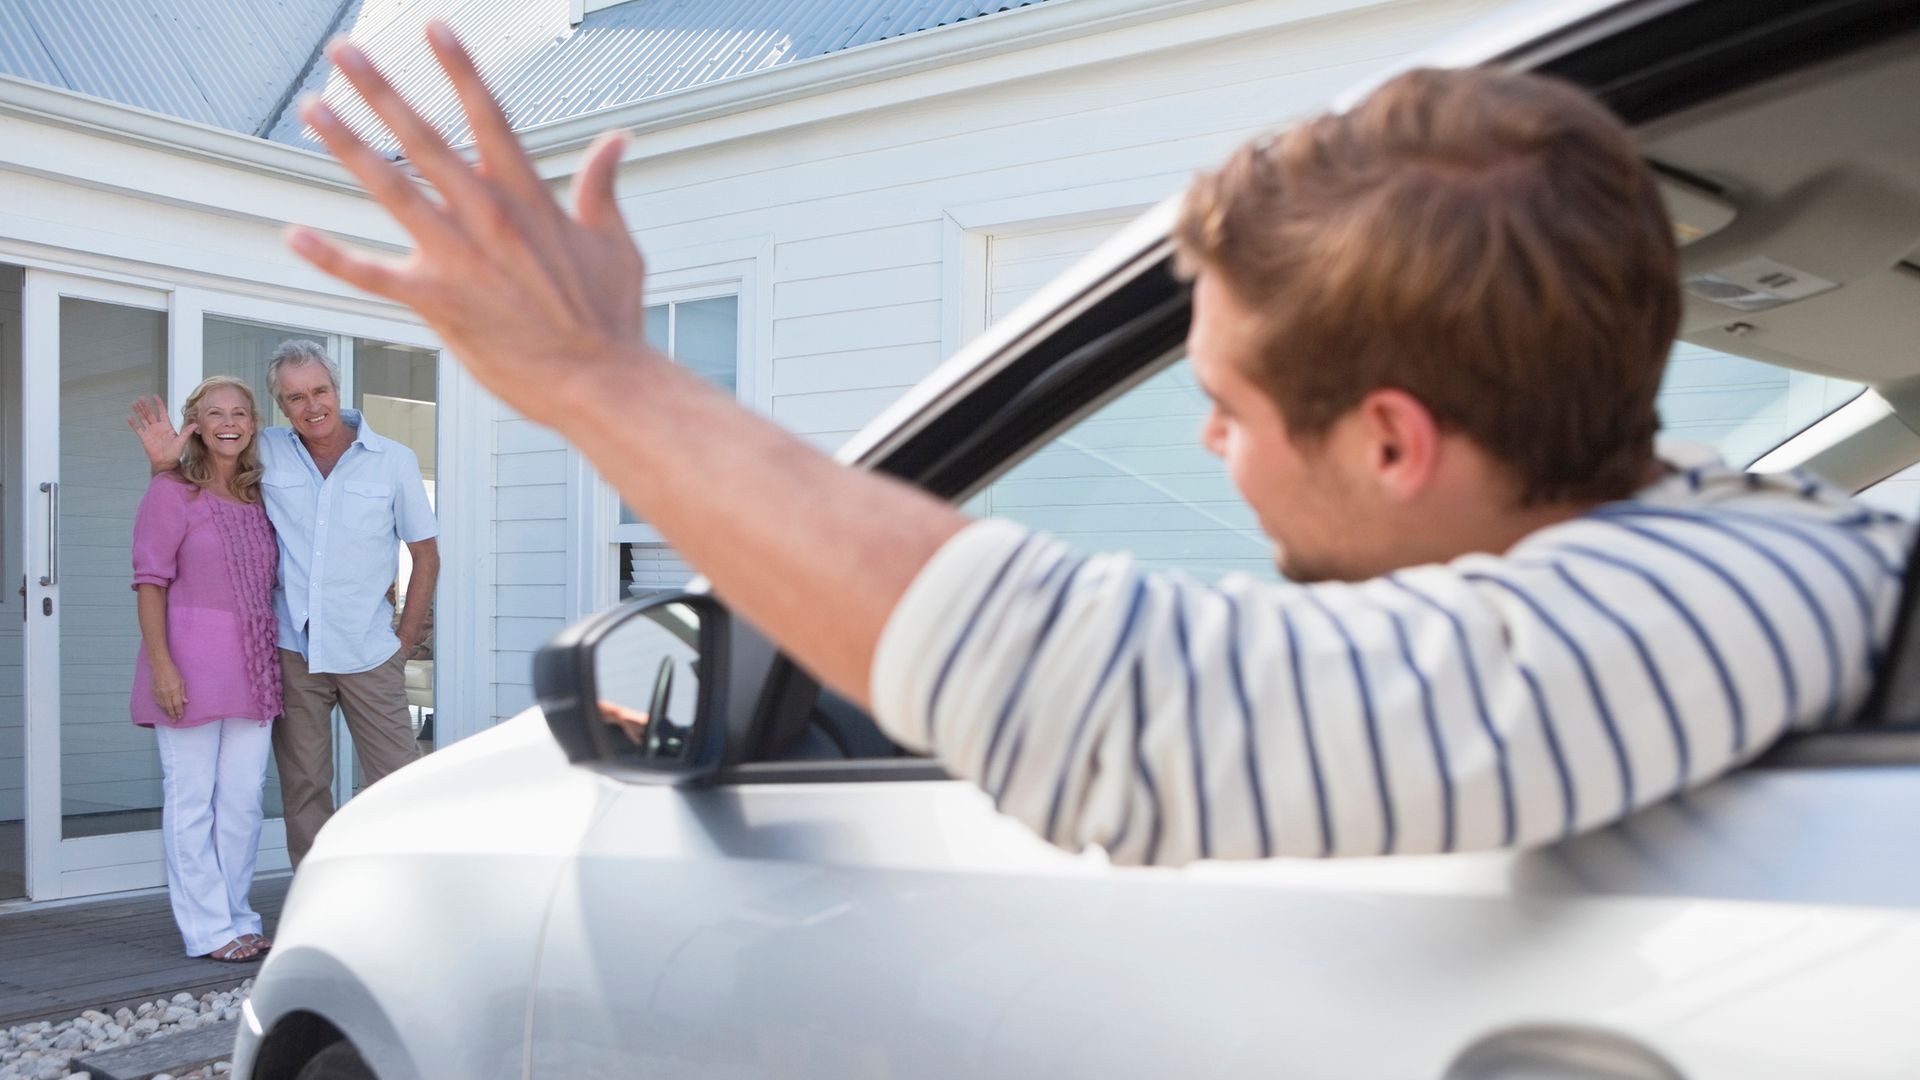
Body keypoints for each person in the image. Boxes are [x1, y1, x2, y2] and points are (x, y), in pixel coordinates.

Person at [284, 27, 1910, 863]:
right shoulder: (1715, 543)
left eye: (1230, 405)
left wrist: (596, 378)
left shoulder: (1727, 594)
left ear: (1398, 441)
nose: (1204, 440)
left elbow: (1139, 715)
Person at [129, 342, 439, 867]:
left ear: (336, 390)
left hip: (369, 651)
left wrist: (403, 643)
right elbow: (203, 492)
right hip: (292, 652)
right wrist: (164, 467)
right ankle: (319, 907)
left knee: (398, 782)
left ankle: (402, 899)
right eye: (294, 397)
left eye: (319, 391)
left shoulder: (394, 461)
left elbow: (425, 557)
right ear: (279, 405)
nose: (311, 406)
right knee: (304, 791)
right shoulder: (265, 450)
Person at [131, 377, 280, 961]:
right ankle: (207, 929)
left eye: (240, 413)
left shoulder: (260, 496)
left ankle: (238, 916)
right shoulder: (170, 491)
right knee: (192, 799)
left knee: (242, 800)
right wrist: (162, 668)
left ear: (252, 425)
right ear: (195, 423)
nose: (229, 422)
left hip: (253, 666)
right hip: (188, 665)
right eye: (214, 412)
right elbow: (149, 582)